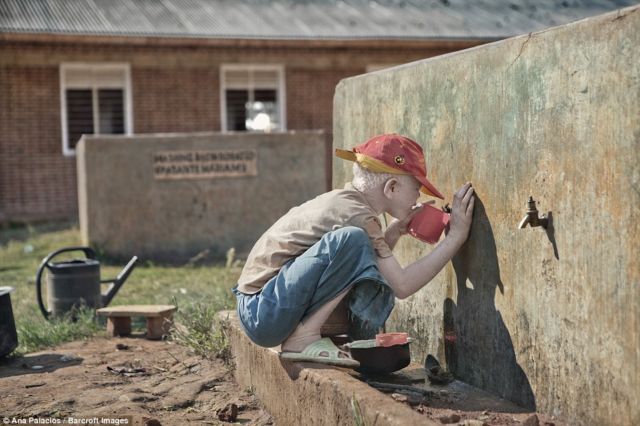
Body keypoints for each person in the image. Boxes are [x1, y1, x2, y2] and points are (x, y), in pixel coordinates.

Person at [232, 133, 474, 367]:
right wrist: (455, 237)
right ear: (391, 188)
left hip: (261, 308)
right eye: (416, 188)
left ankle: (307, 334)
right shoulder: (358, 217)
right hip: (262, 311)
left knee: (356, 247)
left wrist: (393, 233)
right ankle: (302, 339)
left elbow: (357, 266)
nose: (418, 196)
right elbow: (401, 285)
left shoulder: (349, 203)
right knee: (353, 239)